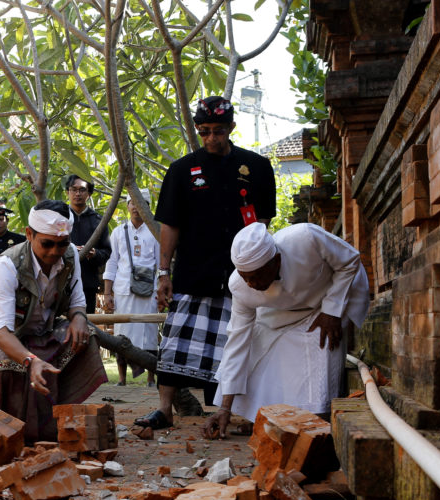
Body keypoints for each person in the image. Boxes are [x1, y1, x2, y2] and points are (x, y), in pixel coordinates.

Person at [134, 96, 277, 430]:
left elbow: (264, 222)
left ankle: (230, 412)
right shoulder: (182, 170)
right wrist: (164, 272)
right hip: (193, 271)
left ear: (231, 128)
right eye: (206, 131)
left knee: (237, 344)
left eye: (219, 131)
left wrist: (258, 267)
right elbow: (169, 224)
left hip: (241, 275)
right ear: (198, 129)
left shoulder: (256, 167)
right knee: (175, 342)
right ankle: (165, 410)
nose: (212, 138)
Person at [206, 221, 370, 439]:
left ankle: (314, 419)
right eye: (246, 277)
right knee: (258, 347)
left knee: (322, 343)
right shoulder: (239, 286)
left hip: (330, 300)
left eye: (256, 276)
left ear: (276, 260)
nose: (252, 284)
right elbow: (237, 341)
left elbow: (349, 260)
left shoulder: (306, 238)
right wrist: (224, 408)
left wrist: (332, 311)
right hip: (283, 313)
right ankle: (267, 418)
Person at [0, 199, 108, 442]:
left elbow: (77, 301)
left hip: (46, 334)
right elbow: (3, 333)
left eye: (62, 244)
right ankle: (18, 431)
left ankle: (59, 420)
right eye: (47, 244)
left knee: (88, 337)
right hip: (3, 340)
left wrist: (78, 318)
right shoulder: (7, 264)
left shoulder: (69, 257)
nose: (55, 252)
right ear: (29, 234)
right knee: (2, 367)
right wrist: (31, 360)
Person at [102, 191, 159, 386]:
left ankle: (151, 378)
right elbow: (111, 263)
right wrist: (107, 293)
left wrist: (160, 291)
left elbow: (161, 265)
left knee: (148, 333)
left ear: (148, 206)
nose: (136, 207)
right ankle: (122, 378)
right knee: (122, 332)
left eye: (141, 203)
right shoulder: (118, 232)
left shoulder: (155, 231)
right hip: (124, 290)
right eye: (132, 203)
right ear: (127, 207)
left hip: (149, 291)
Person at [65, 174, 111, 313]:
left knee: (86, 325)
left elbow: (107, 252)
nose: (77, 193)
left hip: (87, 284)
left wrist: (94, 254)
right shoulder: (60, 217)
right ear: (68, 192)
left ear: (89, 194)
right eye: (74, 189)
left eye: (82, 190)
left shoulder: (98, 221)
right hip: (62, 283)